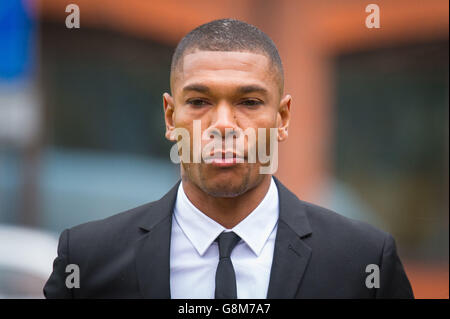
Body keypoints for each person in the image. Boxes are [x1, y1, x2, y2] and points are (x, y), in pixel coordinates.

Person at [43, 18, 414, 299]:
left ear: (282, 119)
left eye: (249, 102)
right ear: (171, 117)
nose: (222, 125)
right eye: (199, 102)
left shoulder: (363, 261)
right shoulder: (89, 259)